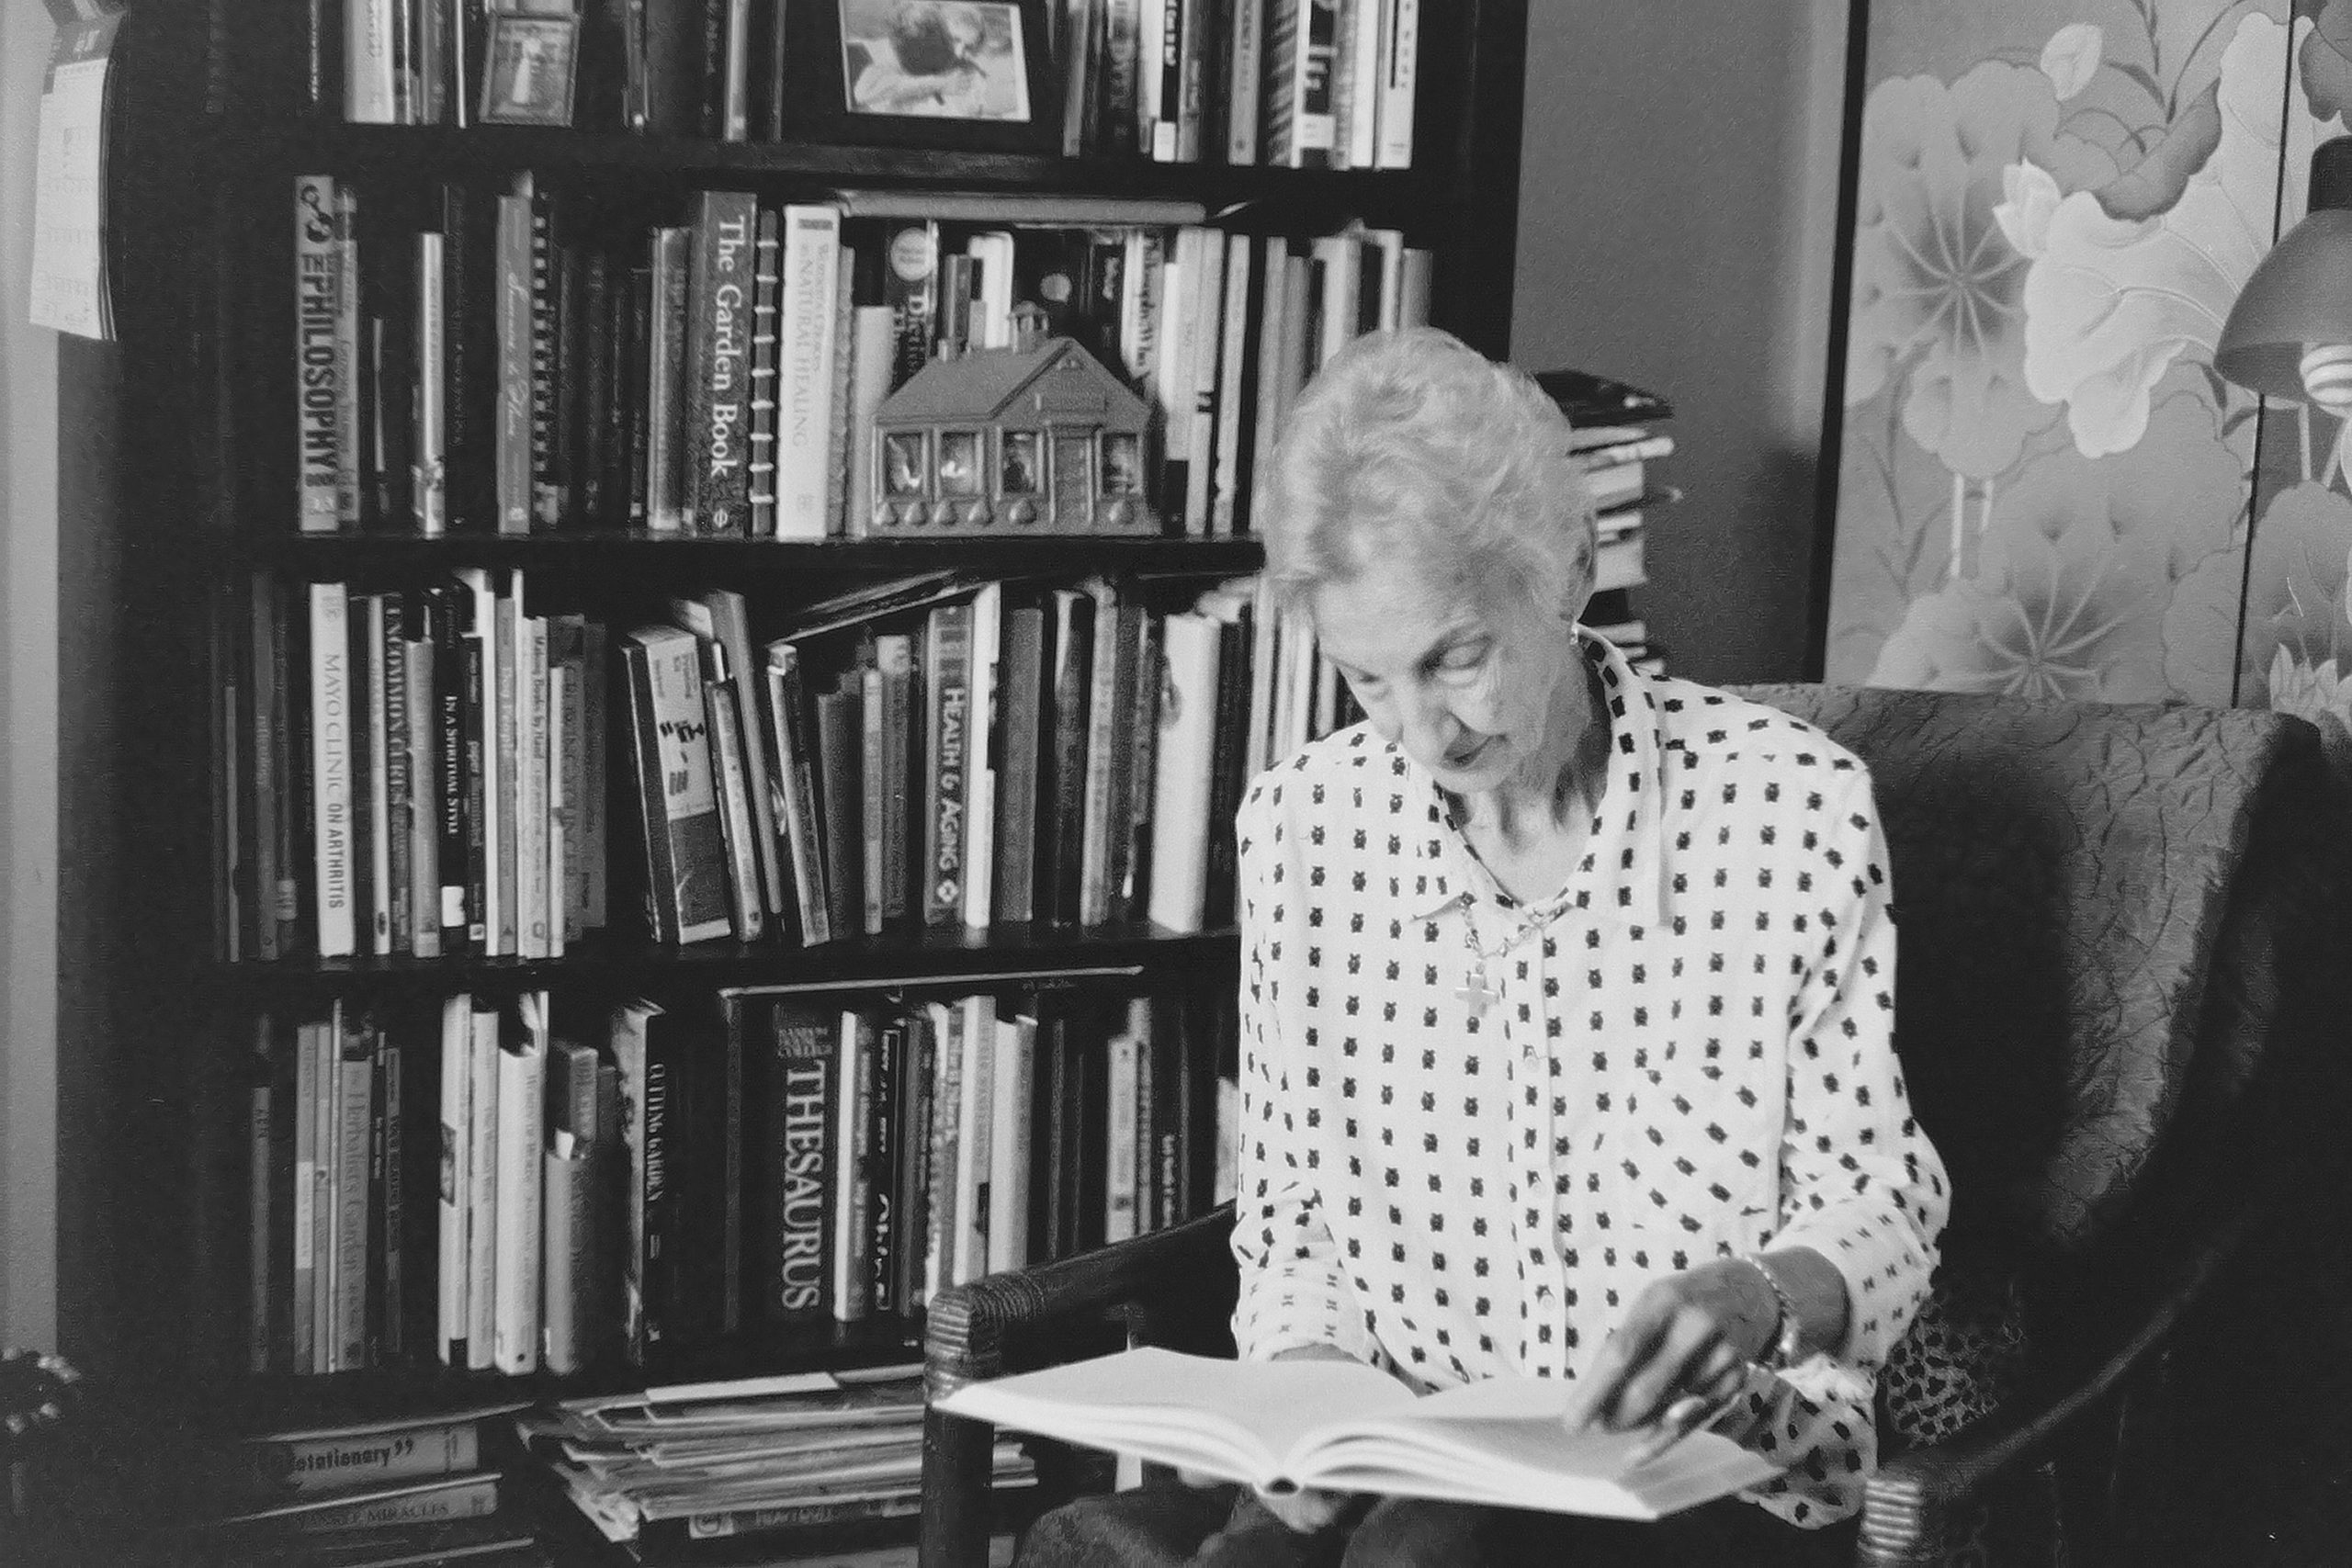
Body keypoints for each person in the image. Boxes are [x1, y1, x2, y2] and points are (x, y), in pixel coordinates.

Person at [1020, 329, 1949, 1568]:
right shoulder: (1304, 828)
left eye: (1455, 658)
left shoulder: (1789, 809)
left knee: (1431, 1553)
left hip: (1691, 1467)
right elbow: (1291, 1213)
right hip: (1394, 1442)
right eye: (1366, 682)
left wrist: (1757, 1294)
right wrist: (1303, 1386)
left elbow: (1885, 1201)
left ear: (1561, 564)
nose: (1420, 733)